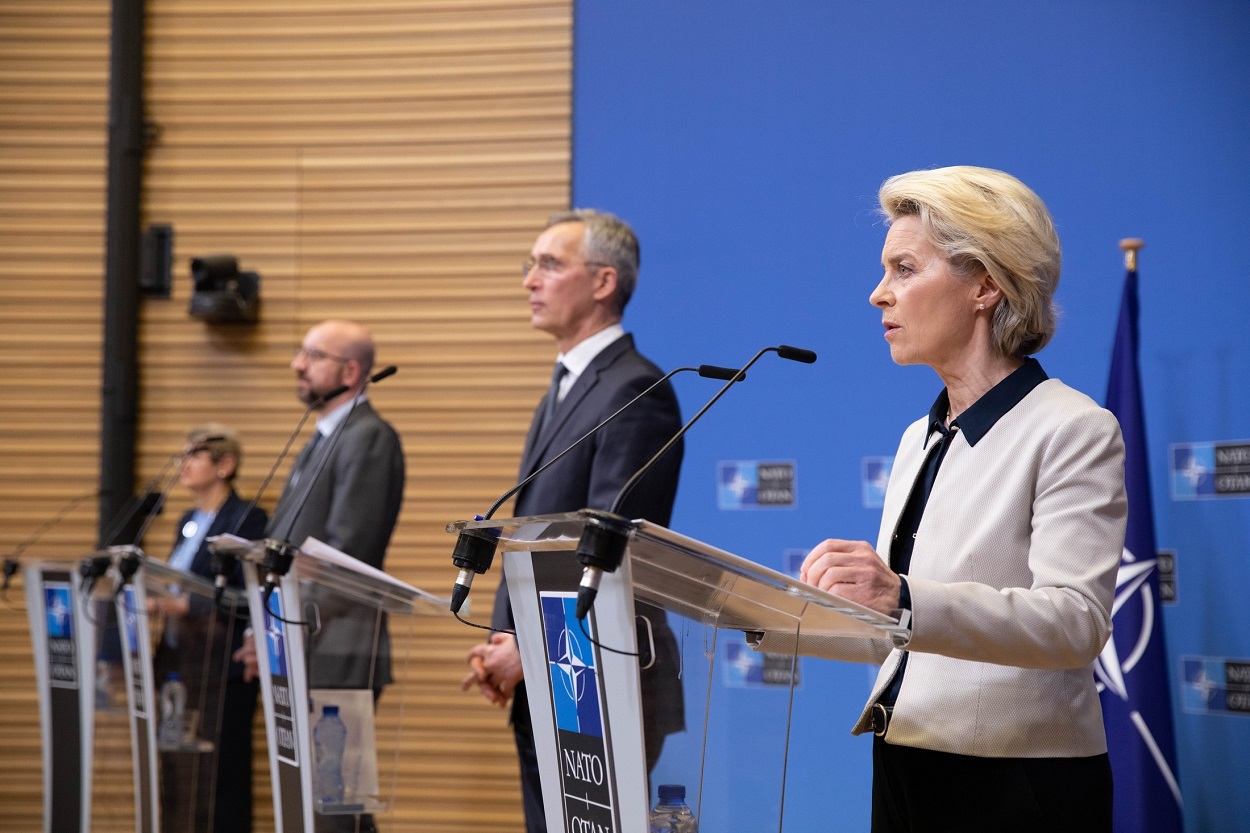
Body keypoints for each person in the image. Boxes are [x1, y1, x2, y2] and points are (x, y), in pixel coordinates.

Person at [783, 166, 1127, 831]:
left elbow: (1075, 621)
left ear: (986, 285)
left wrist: (902, 596)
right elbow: (902, 625)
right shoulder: (920, 434)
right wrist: (776, 618)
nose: (878, 294)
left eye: (904, 269)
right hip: (906, 757)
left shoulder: (1073, 428)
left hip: (1017, 781)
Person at [461, 209, 686, 833]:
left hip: (596, 666)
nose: (529, 280)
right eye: (529, 265)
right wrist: (508, 636)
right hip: (557, 664)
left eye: (549, 264)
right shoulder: (564, 386)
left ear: (603, 282)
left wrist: (529, 651)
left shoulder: (637, 390)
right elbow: (538, 532)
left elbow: (605, 547)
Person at [234, 320, 404, 833]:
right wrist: (261, 631)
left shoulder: (369, 439)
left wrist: (278, 628)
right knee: (318, 809)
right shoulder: (322, 438)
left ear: (350, 371)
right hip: (302, 644)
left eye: (311, 354)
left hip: (339, 652)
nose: (297, 364)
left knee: (336, 812)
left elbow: (346, 552)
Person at [152, 424, 267, 833]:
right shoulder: (186, 518)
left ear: (225, 465)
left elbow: (245, 593)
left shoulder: (247, 518)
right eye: (183, 454)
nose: (183, 464)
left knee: (222, 776)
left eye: (194, 455)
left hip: (222, 666)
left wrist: (182, 603)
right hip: (179, 659)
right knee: (179, 770)